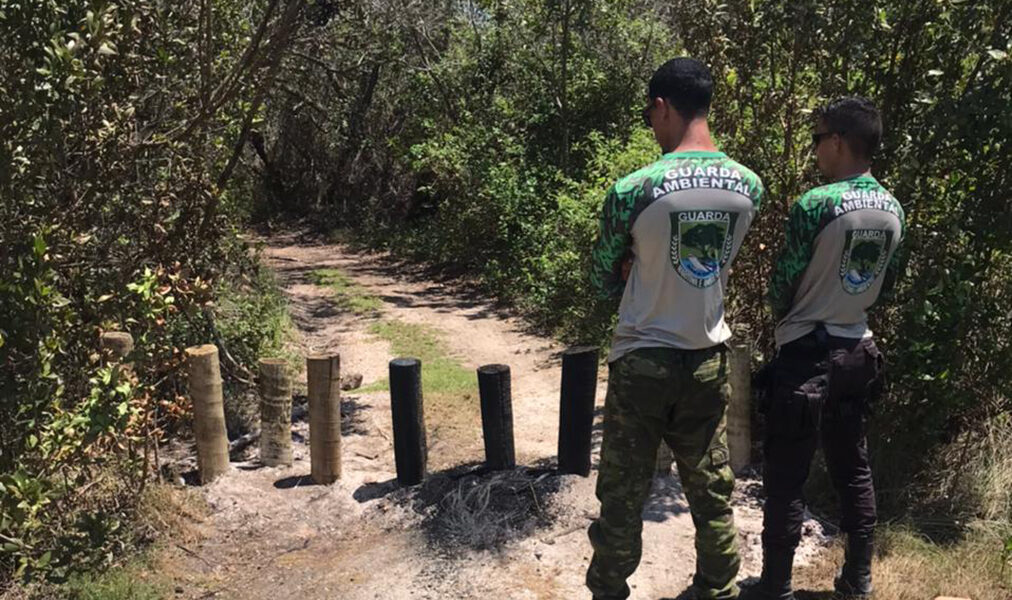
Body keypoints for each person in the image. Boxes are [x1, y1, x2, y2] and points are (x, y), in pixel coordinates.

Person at [587, 57, 764, 600]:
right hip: (707, 355)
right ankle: (719, 587)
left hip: (643, 355)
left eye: (649, 116)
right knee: (711, 490)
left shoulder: (634, 189)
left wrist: (629, 267)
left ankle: (609, 590)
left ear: (662, 107)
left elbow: (600, 278)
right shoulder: (749, 186)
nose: (651, 125)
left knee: (623, 494)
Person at [745, 97, 906, 600]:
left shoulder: (815, 205)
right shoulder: (894, 210)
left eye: (817, 139)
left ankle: (776, 585)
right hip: (858, 349)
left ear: (837, 141)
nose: (815, 150)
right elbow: (887, 282)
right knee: (852, 465)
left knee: (786, 474)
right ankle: (858, 578)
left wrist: (790, 312)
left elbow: (782, 285)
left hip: (806, 353)